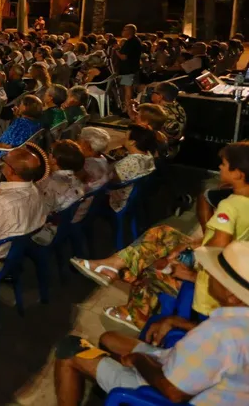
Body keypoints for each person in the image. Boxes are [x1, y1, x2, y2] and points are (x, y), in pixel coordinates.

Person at [72, 141, 249, 330]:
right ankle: (113, 265)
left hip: (211, 289)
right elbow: (230, 241)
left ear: (238, 173)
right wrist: (188, 245)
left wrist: (189, 274)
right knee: (161, 232)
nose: (220, 167)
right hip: (230, 268)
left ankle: (136, 314)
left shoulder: (229, 207)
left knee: (156, 266)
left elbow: (217, 253)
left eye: (224, 163)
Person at [54, 241, 249, 406]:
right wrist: (179, 322)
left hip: (162, 391)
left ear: (231, 295)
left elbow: (174, 392)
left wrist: (139, 360)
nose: (207, 274)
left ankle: (118, 385)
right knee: (109, 339)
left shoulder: (217, 332)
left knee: (69, 349)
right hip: (179, 368)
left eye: (215, 273)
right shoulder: (236, 323)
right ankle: (108, 380)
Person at [109, 124, 158, 213]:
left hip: (121, 201)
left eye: (126, 137)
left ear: (132, 142)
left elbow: (111, 181)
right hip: (136, 196)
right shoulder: (149, 155)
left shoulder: (127, 163)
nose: (123, 139)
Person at [36, 140, 87, 214]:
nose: (47, 154)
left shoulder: (49, 184)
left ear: (54, 160)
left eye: (50, 152)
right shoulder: (76, 179)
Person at [116, 23, 142, 112]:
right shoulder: (134, 41)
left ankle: (128, 109)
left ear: (130, 31)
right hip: (130, 69)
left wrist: (116, 50)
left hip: (129, 70)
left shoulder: (131, 42)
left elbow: (124, 57)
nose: (122, 31)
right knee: (128, 89)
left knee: (128, 90)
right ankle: (128, 108)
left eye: (125, 29)